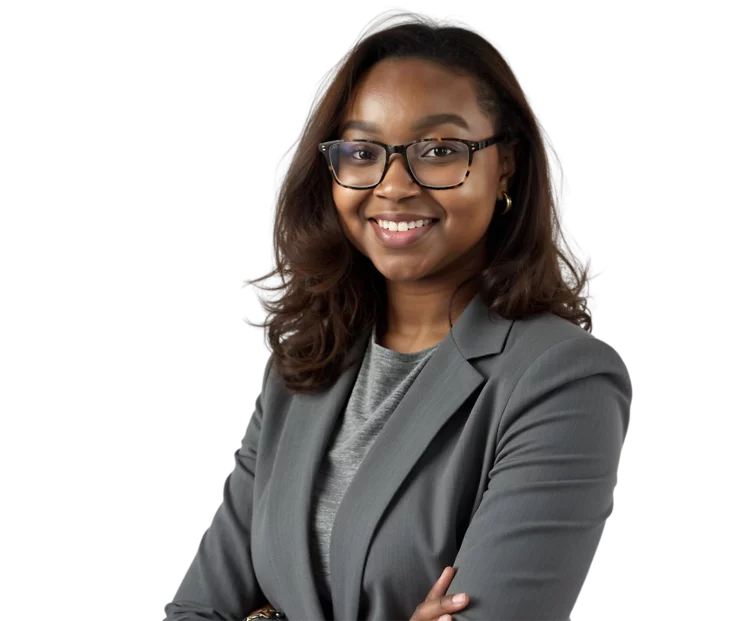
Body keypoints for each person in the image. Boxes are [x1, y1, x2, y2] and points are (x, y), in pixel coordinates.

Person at [164, 10, 631, 621]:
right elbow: (192, 612)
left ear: (506, 166)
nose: (393, 185)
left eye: (439, 150)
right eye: (363, 151)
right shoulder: (304, 362)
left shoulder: (563, 381)